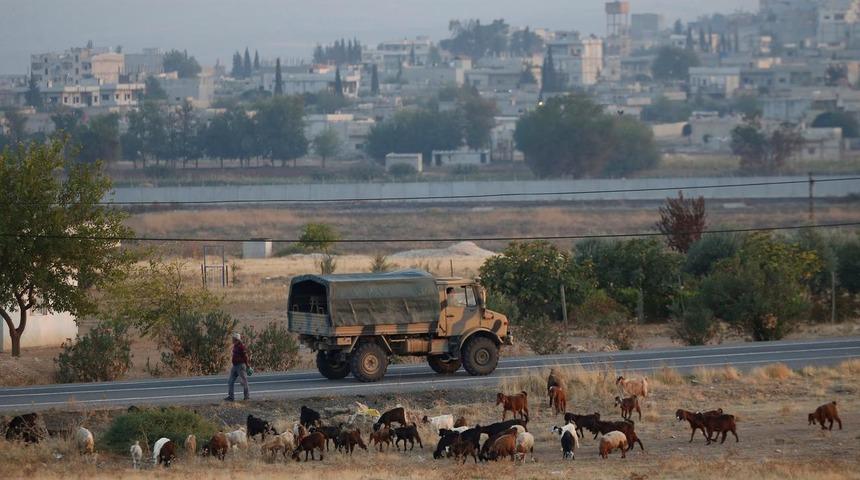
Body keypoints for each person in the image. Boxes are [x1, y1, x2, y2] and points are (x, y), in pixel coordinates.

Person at [225, 332, 250, 402]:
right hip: (235, 366)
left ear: (236, 339)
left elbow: (245, 357)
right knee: (230, 381)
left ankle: (246, 397)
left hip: (241, 366)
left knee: (244, 381)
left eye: (233, 339)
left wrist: (247, 365)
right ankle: (231, 397)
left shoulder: (241, 346)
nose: (232, 340)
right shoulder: (235, 346)